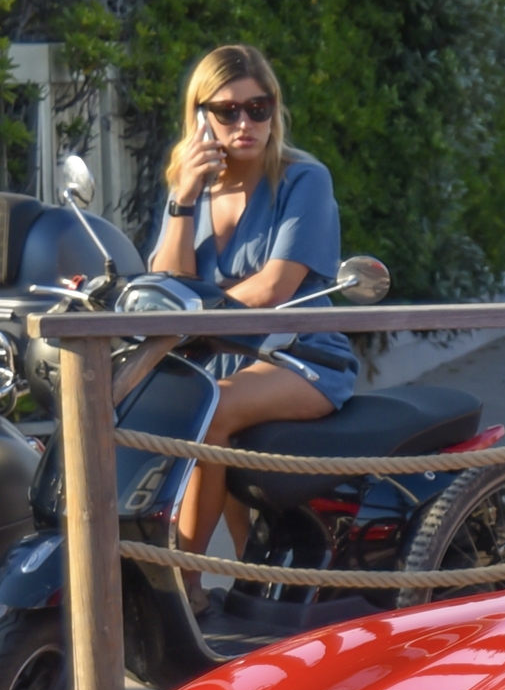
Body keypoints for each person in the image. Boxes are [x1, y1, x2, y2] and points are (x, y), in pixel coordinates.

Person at [149, 43, 357, 613]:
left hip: (303, 358)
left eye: (258, 108)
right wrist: (181, 200)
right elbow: (168, 285)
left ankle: (182, 585)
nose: (245, 123)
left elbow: (272, 291)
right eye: (227, 110)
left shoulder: (302, 179)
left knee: (209, 411)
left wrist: (191, 323)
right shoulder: (188, 189)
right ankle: (247, 591)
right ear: (199, 118)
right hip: (215, 360)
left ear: (275, 111)